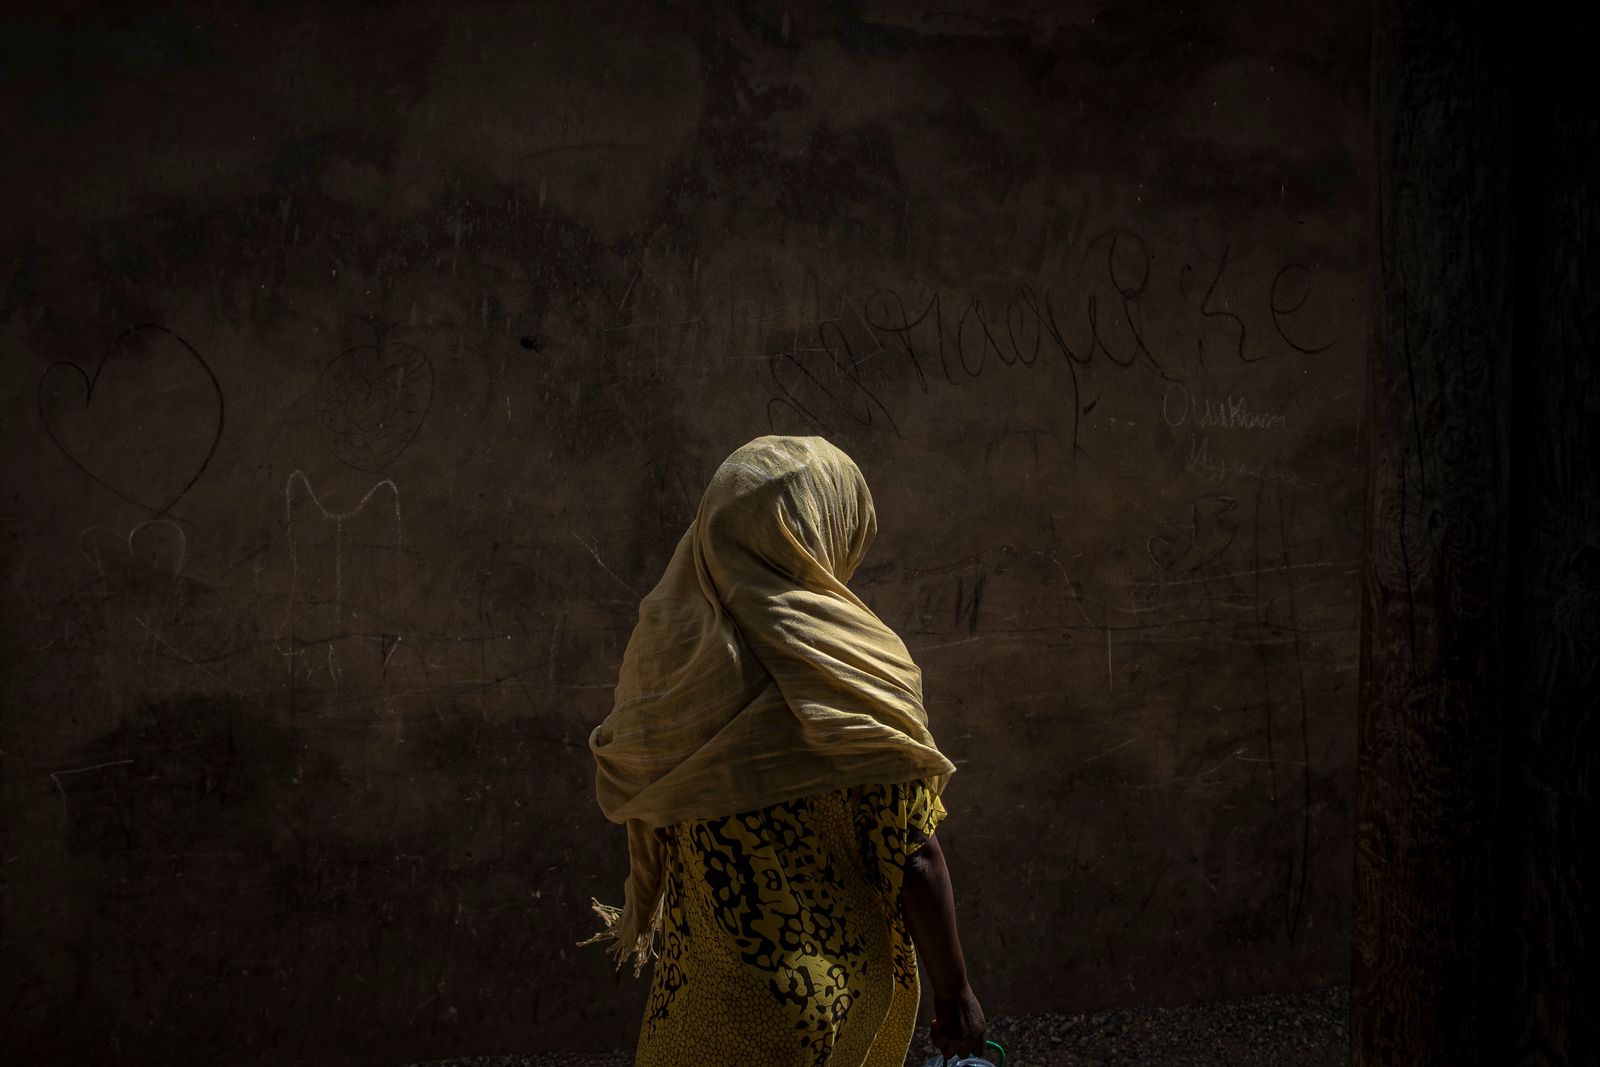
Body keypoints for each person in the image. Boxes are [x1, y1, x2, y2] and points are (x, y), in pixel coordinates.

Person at [585, 435, 988, 1065]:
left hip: (695, 1007)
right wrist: (954, 991)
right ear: (821, 527)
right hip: (824, 999)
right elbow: (911, 853)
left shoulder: (668, 661)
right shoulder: (853, 665)